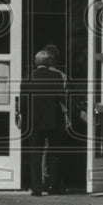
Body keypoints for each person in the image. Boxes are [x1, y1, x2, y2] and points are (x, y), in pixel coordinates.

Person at [16, 49, 69, 195]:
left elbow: (23, 104)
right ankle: (54, 186)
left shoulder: (27, 78)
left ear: (35, 62)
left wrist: (22, 120)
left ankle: (36, 188)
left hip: (34, 123)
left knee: (35, 155)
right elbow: (61, 98)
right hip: (53, 121)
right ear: (49, 62)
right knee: (54, 154)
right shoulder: (57, 76)